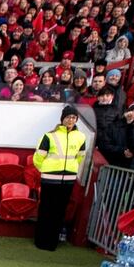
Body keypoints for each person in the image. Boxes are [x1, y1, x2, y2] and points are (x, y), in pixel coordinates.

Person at [33, 105, 86, 251]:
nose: (70, 120)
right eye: (68, 117)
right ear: (62, 118)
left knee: (60, 210)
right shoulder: (50, 136)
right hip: (50, 178)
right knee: (46, 209)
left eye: (73, 118)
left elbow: (81, 157)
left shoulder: (81, 137)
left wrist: (71, 168)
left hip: (68, 179)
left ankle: (52, 242)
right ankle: (41, 241)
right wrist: (44, 170)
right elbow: (38, 157)